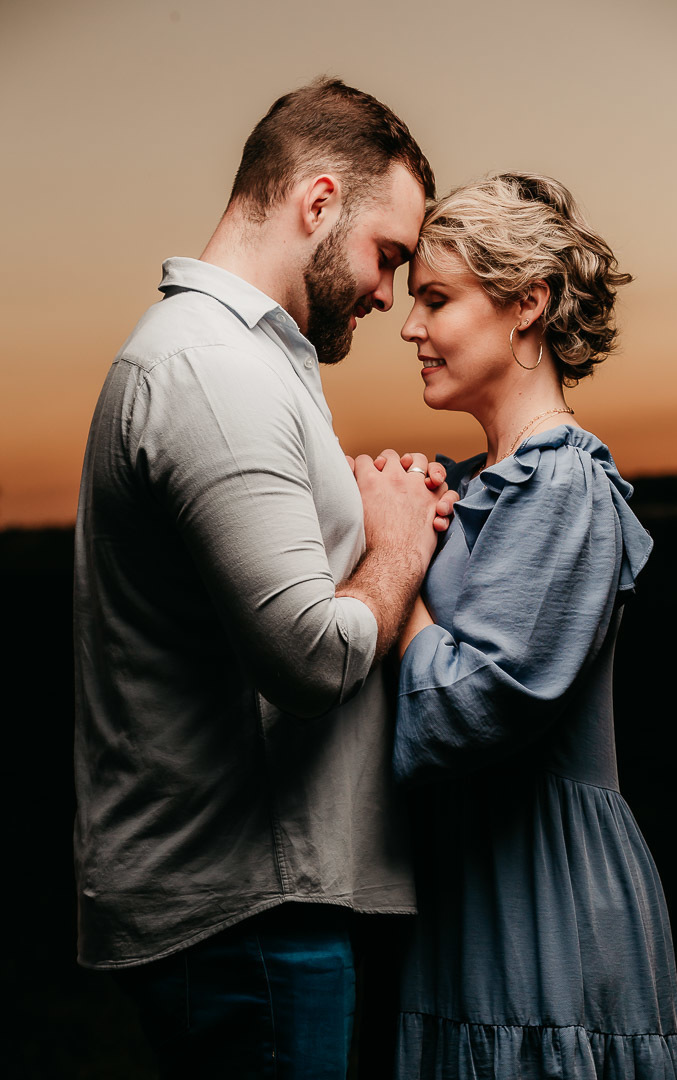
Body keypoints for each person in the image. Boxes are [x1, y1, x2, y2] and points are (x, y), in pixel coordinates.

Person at [73, 77, 458, 1079]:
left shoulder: (247, 366)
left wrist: (370, 506)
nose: (388, 293)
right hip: (248, 915)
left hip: (267, 906)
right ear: (318, 203)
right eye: (390, 256)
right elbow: (308, 654)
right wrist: (401, 543)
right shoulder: (211, 374)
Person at [390, 174, 677, 1078]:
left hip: (548, 900)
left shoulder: (562, 486)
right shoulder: (478, 483)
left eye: (436, 300)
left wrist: (396, 570)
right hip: (474, 888)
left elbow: (463, 707)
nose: (411, 328)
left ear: (529, 303)